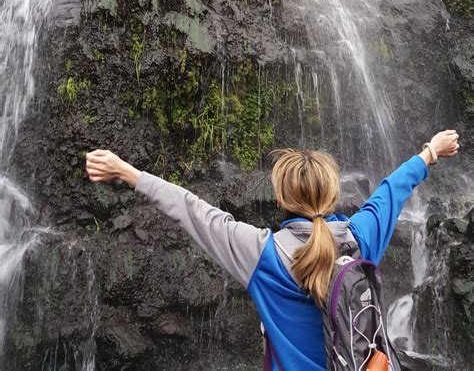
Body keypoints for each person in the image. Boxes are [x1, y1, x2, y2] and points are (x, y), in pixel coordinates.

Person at [86, 129, 459, 371]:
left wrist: (127, 172)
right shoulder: (362, 237)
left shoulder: (261, 253)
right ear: (333, 196)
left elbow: (192, 209)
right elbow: (391, 190)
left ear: (280, 199)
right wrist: (430, 152)